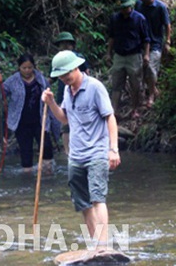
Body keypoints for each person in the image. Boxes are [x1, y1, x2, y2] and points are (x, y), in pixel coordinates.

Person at [41, 50, 120, 248]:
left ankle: (103, 245)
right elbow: (64, 118)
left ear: (76, 67)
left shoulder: (95, 87)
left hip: (96, 153)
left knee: (97, 198)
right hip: (76, 155)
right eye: (61, 75)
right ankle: (94, 243)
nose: (65, 77)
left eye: (67, 73)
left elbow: (110, 117)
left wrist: (114, 149)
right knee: (83, 203)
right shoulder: (67, 90)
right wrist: (51, 103)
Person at [0, 53, 58, 173]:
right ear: (19, 68)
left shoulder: (40, 79)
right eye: (24, 68)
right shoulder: (12, 81)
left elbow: (48, 93)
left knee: (47, 148)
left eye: (30, 67)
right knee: (26, 152)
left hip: (40, 120)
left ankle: (48, 175)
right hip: (21, 122)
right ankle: (27, 181)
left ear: (34, 67)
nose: (27, 71)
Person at [106, 0, 150, 119]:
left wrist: (146, 54)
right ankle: (114, 110)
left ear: (130, 6)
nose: (124, 10)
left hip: (134, 55)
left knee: (135, 84)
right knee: (116, 84)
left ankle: (135, 109)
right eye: (121, 8)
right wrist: (109, 53)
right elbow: (112, 37)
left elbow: (146, 39)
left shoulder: (139, 18)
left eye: (125, 7)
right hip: (119, 55)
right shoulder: (115, 18)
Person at [53, 31, 90, 155]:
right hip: (64, 95)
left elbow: (86, 72)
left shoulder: (78, 57)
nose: (64, 47)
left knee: (81, 120)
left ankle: (83, 149)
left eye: (67, 44)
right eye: (62, 44)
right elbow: (52, 77)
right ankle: (67, 152)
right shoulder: (57, 60)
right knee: (65, 126)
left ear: (72, 45)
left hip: (80, 92)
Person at [135, 0, 171, 108]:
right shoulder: (139, 5)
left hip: (155, 42)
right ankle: (152, 89)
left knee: (151, 68)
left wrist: (167, 41)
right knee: (141, 69)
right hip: (141, 43)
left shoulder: (160, 7)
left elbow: (167, 25)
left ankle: (151, 95)